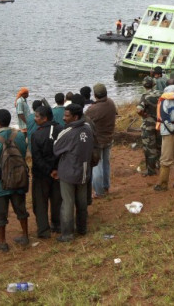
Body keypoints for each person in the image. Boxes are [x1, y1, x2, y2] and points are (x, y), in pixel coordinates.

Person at [0, 109, 29, 251]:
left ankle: (2, 242)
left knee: (0, 213)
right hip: (18, 178)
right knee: (21, 209)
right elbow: (22, 153)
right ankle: (25, 235)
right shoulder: (20, 136)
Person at [53, 104, 94, 242]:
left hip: (69, 172)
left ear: (75, 117)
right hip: (84, 171)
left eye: (66, 116)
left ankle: (67, 234)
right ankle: (82, 229)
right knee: (82, 202)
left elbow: (56, 148)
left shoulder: (68, 132)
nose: (64, 118)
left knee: (68, 203)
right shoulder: (88, 128)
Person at [30, 105, 63, 238]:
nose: (34, 119)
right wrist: (55, 170)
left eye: (37, 116)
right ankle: (57, 224)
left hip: (41, 174)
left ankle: (43, 230)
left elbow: (36, 158)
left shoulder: (37, 134)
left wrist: (49, 170)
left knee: (40, 202)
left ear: (45, 118)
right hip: (58, 172)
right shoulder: (61, 130)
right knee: (57, 200)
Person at [85, 83, 117, 199]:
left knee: (97, 166)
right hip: (109, 137)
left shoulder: (93, 109)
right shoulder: (111, 103)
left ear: (95, 95)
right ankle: (106, 186)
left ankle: (99, 192)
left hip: (98, 141)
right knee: (106, 163)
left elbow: (84, 120)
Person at [136, 76, 162, 176]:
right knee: (159, 146)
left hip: (148, 125)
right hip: (160, 123)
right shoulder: (160, 93)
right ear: (154, 84)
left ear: (144, 85)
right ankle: (159, 164)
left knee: (150, 148)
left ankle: (151, 170)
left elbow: (139, 110)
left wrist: (144, 115)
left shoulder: (145, 96)